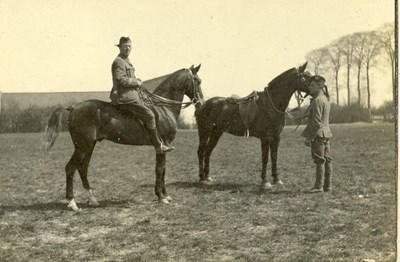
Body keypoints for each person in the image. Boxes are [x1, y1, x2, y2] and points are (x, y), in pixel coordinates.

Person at [109, 36, 175, 154]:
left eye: (130, 46)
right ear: (120, 47)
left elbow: (129, 77)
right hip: (125, 97)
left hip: (132, 94)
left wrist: (137, 80)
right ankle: (158, 146)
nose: (128, 48)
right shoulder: (119, 61)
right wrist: (136, 82)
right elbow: (121, 79)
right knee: (149, 115)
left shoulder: (126, 60)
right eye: (125, 46)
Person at [301, 75, 333, 193]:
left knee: (319, 160)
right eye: (310, 85)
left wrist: (309, 138)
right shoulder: (324, 99)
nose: (310, 87)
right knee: (327, 160)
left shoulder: (317, 101)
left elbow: (316, 122)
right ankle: (327, 186)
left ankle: (318, 186)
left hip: (318, 136)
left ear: (320, 87)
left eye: (313, 85)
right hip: (326, 134)